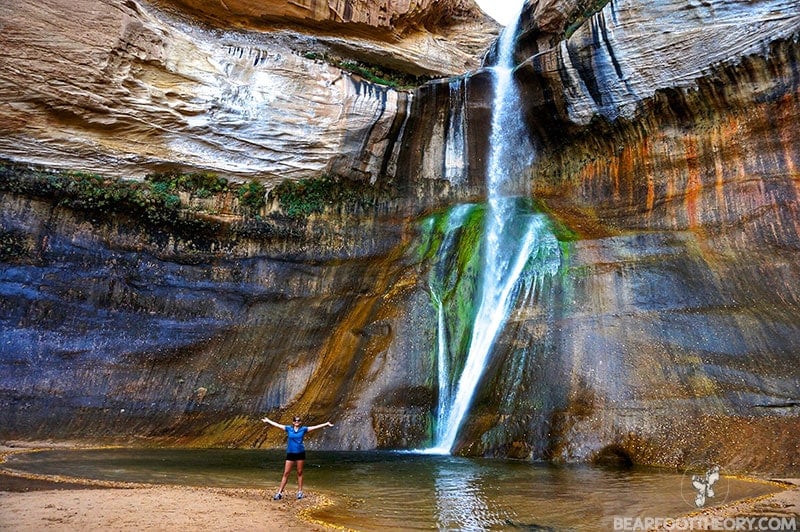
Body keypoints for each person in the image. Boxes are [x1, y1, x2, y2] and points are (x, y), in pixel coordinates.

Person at [261, 415, 333, 500]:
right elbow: (277, 425)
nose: (297, 422)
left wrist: (326, 424)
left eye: (298, 421)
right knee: (286, 473)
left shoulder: (304, 429)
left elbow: (315, 427)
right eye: (295, 421)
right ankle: (279, 492)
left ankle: (300, 492)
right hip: (290, 453)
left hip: (300, 453)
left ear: (300, 422)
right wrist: (268, 420)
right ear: (293, 422)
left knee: (299, 472)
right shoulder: (288, 429)